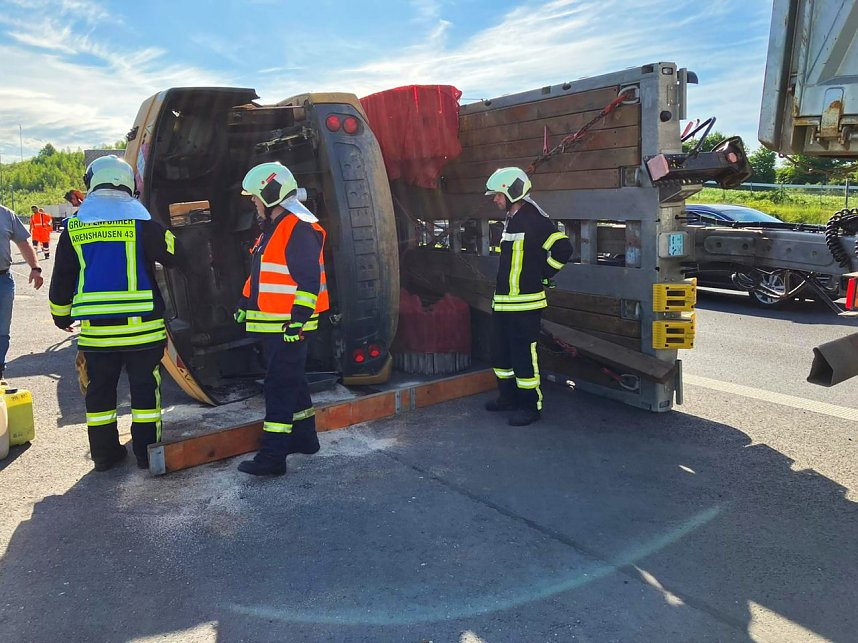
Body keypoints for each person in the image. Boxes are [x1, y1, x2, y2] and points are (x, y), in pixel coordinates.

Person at [49, 155, 182, 472]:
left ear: (91, 183)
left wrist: (61, 316)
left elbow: (62, 280)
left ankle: (105, 456)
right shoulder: (143, 225)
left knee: (99, 395)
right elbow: (176, 254)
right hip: (143, 333)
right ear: (127, 184)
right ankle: (146, 454)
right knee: (144, 393)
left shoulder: (74, 228)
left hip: (97, 334)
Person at [234, 161, 328, 476]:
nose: (253, 202)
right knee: (293, 381)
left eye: (255, 197)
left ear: (270, 194)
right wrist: (245, 303)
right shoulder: (273, 229)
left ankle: (272, 458)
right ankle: (305, 439)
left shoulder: (298, 227)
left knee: (278, 386)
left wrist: (298, 322)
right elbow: (262, 274)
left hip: (288, 325)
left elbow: (308, 281)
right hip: (274, 323)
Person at [483, 167, 573, 426]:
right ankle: (507, 398)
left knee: (523, 356)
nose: (495, 200)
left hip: (525, 305)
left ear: (512, 192)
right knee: (500, 354)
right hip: (503, 303)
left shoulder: (534, 219)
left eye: (498, 195)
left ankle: (530, 407)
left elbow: (563, 248)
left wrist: (543, 274)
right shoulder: (512, 218)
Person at [0, 204, 44, 381]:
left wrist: (36, 268)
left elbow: (23, 242)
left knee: (2, 330)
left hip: (3, 280)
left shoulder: (6, 214)